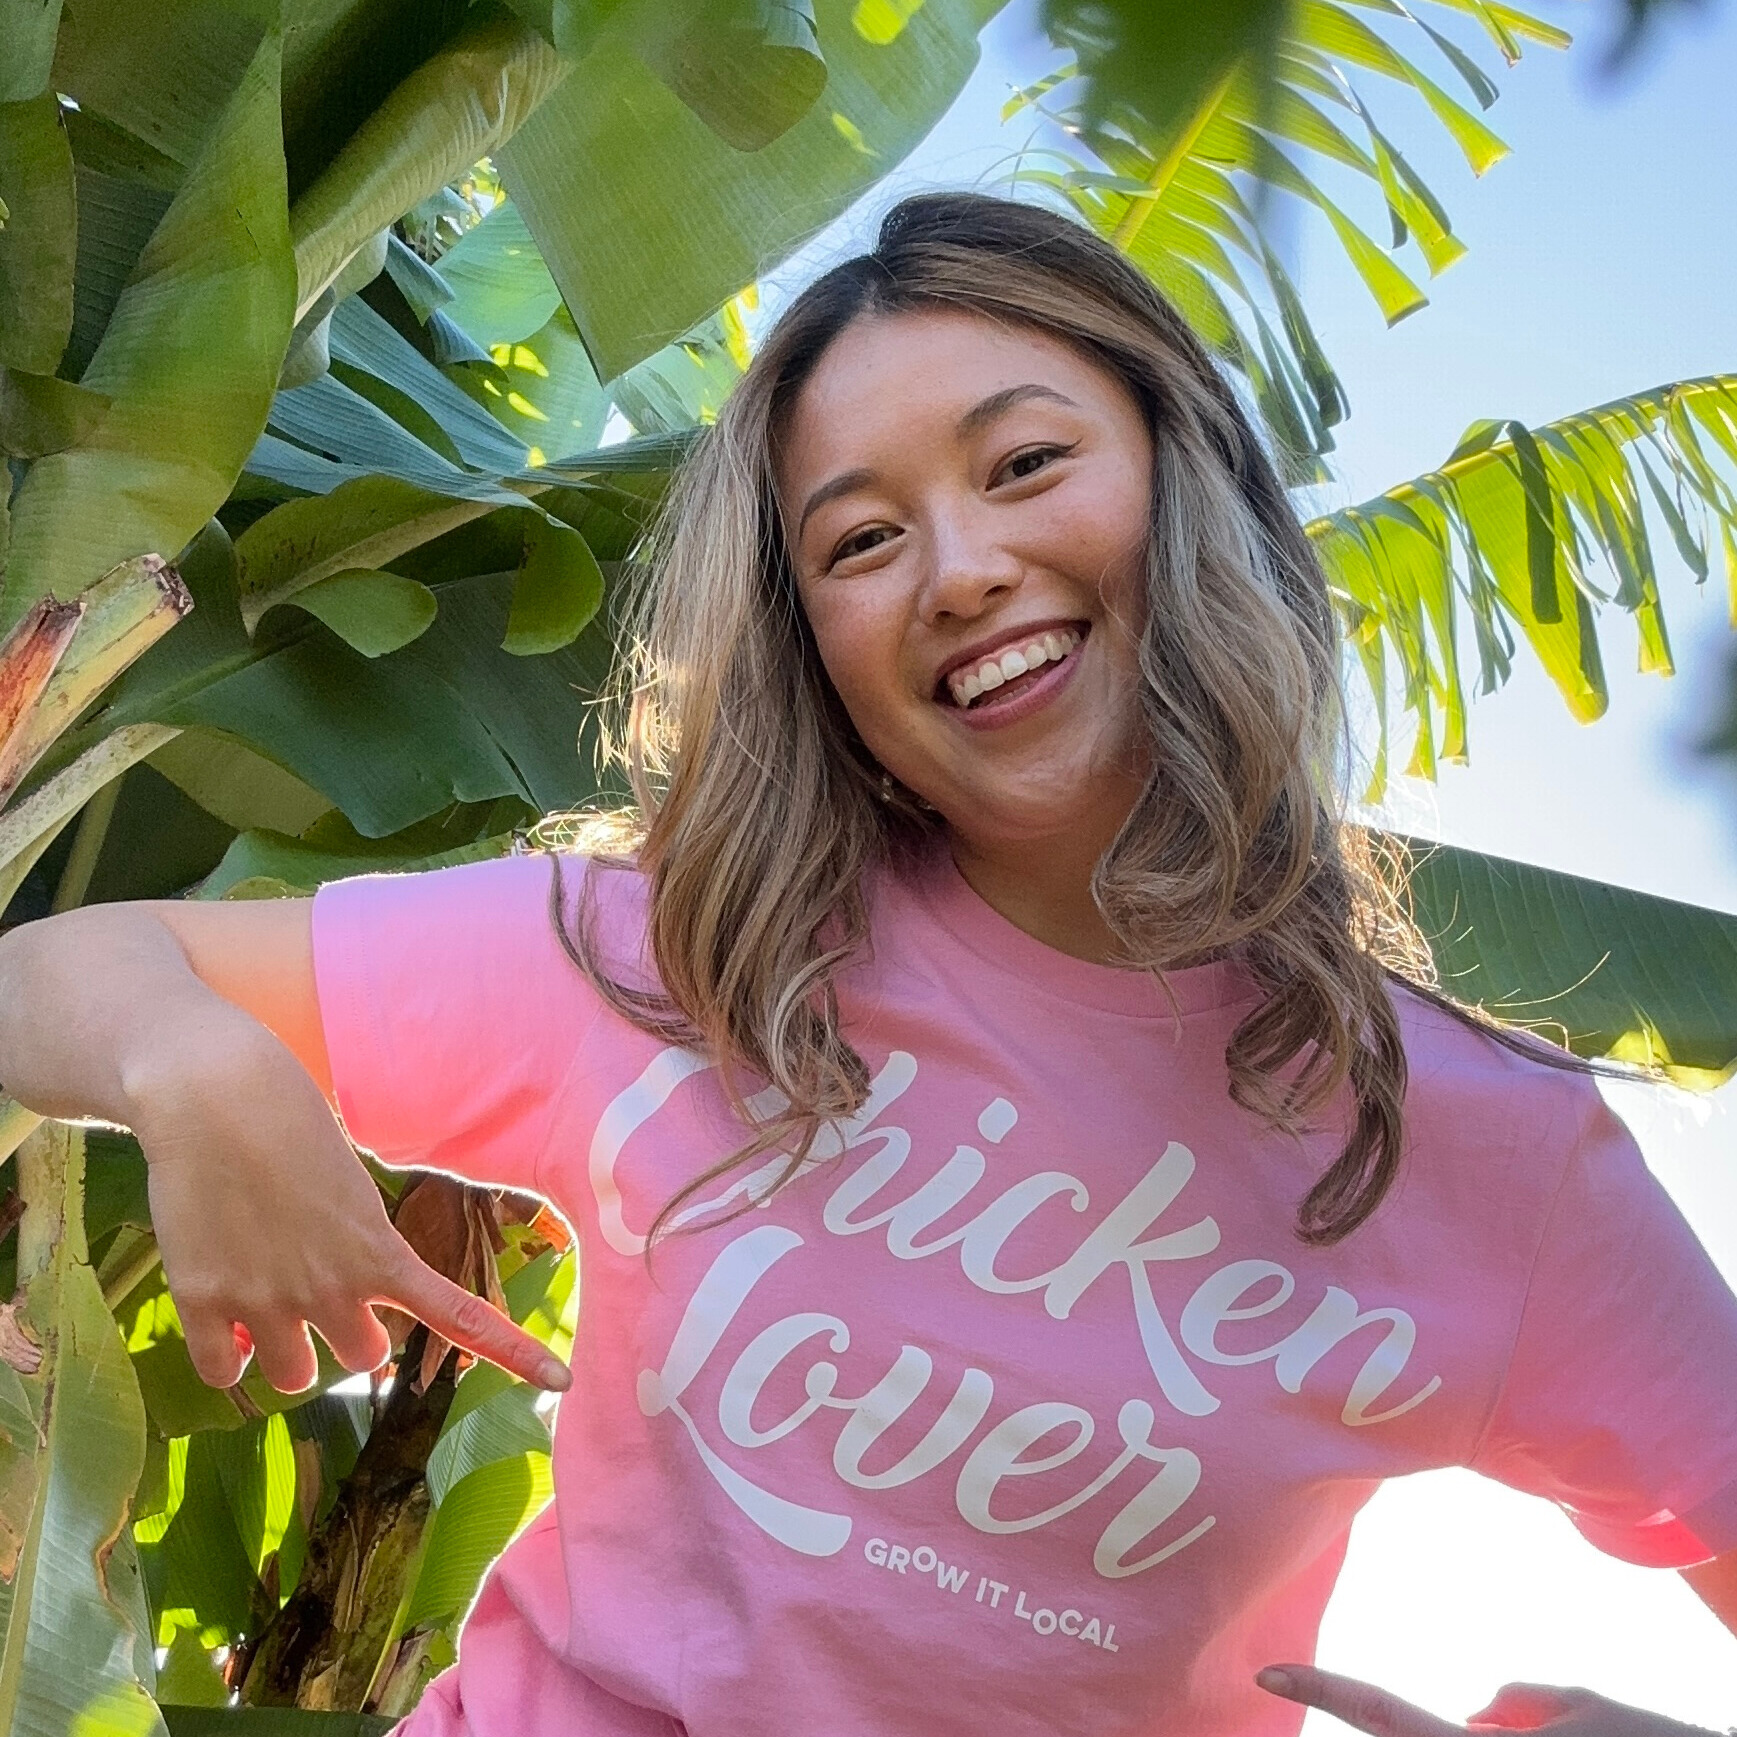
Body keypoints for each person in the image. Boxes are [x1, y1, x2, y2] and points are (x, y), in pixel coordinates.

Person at [1, 193, 1733, 1737]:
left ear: (1183, 479)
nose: (962, 571)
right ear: (809, 639)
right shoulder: (678, 952)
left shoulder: (1489, 1157)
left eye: (1026, 465)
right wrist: (191, 1056)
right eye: (859, 539)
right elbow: (51, 971)